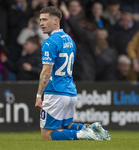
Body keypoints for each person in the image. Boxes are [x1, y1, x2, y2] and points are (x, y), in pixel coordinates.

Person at [35, 6, 110, 141]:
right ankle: (92, 128)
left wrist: (39, 95)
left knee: (47, 135)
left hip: (55, 92)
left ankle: (83, 134)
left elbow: (47, 70)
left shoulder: (49, 42)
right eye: (40, 20)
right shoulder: (70, 40)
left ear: (56, 20)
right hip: (70, 91)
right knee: (67, 125)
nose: (41, 23)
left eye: (45, 20)